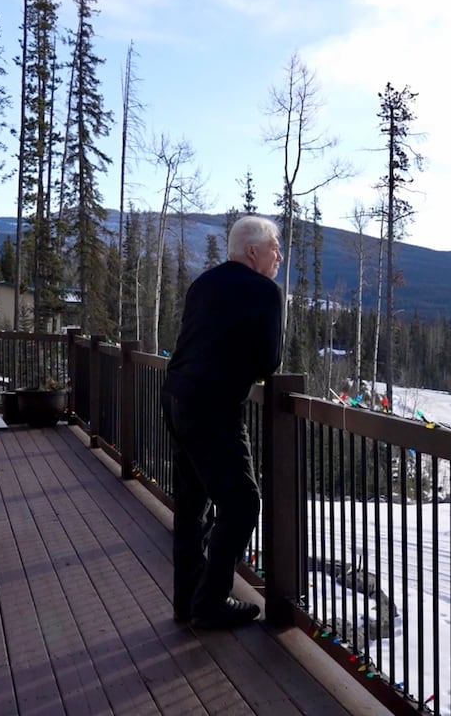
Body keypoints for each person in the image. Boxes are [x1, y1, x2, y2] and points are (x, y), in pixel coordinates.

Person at [161, 215, 283, 629]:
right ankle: (211, 600)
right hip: (213, 407)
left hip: (176, 396)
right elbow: (269, 363)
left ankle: (188, 600)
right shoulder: (265, 291)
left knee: (192, 505)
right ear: (253, 251)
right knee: (243, 503)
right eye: (274, 248)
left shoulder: (203, 284)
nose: (278, 256)